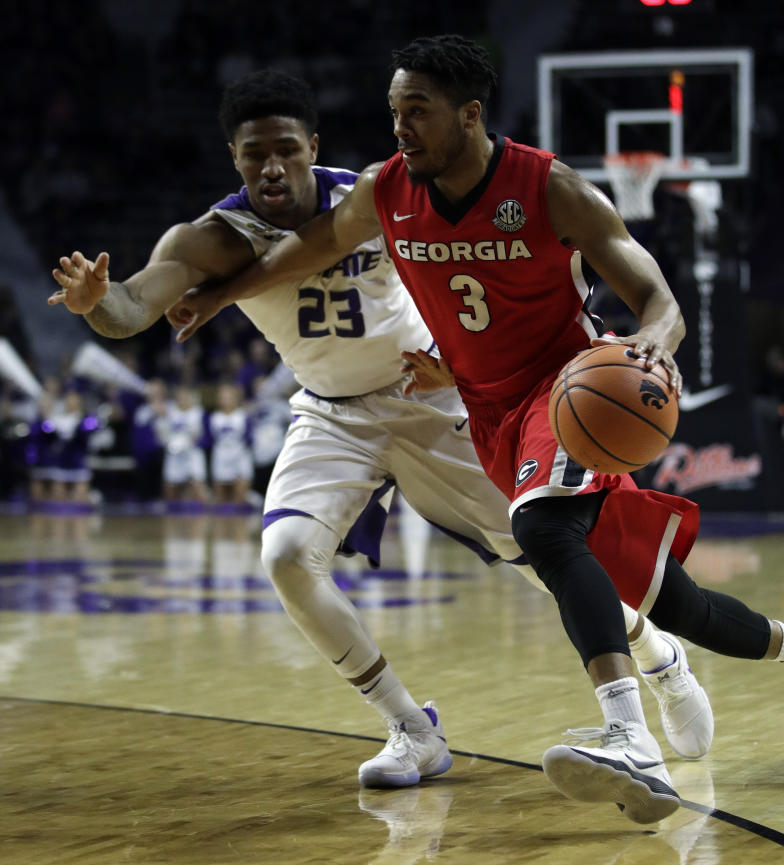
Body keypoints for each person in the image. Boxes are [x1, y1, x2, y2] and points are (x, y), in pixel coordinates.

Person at [165, 36, 784, 825]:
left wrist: (655, 343)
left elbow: (656, 294)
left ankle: (627, 734)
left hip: (570, 389)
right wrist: (221, 293)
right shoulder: (385, 189)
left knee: (540, 525)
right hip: (488, 412)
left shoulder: (550, 187)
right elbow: (309, 249)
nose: (400, 128)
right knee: (677, 603)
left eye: (418, 113)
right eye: (394, 111)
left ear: (470, 116)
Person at [48, 69, 712, 788]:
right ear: (234, 159)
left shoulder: (377, 193)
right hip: (333, 411)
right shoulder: (209, 238)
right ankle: (411, 728)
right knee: (286, 554)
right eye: (252, 155)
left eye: (285, 149)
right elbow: (133, 304)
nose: (272, 166)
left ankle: (659, 659)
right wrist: (96, 303)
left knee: (544, 559)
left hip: (427, 398)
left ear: (312, 146)